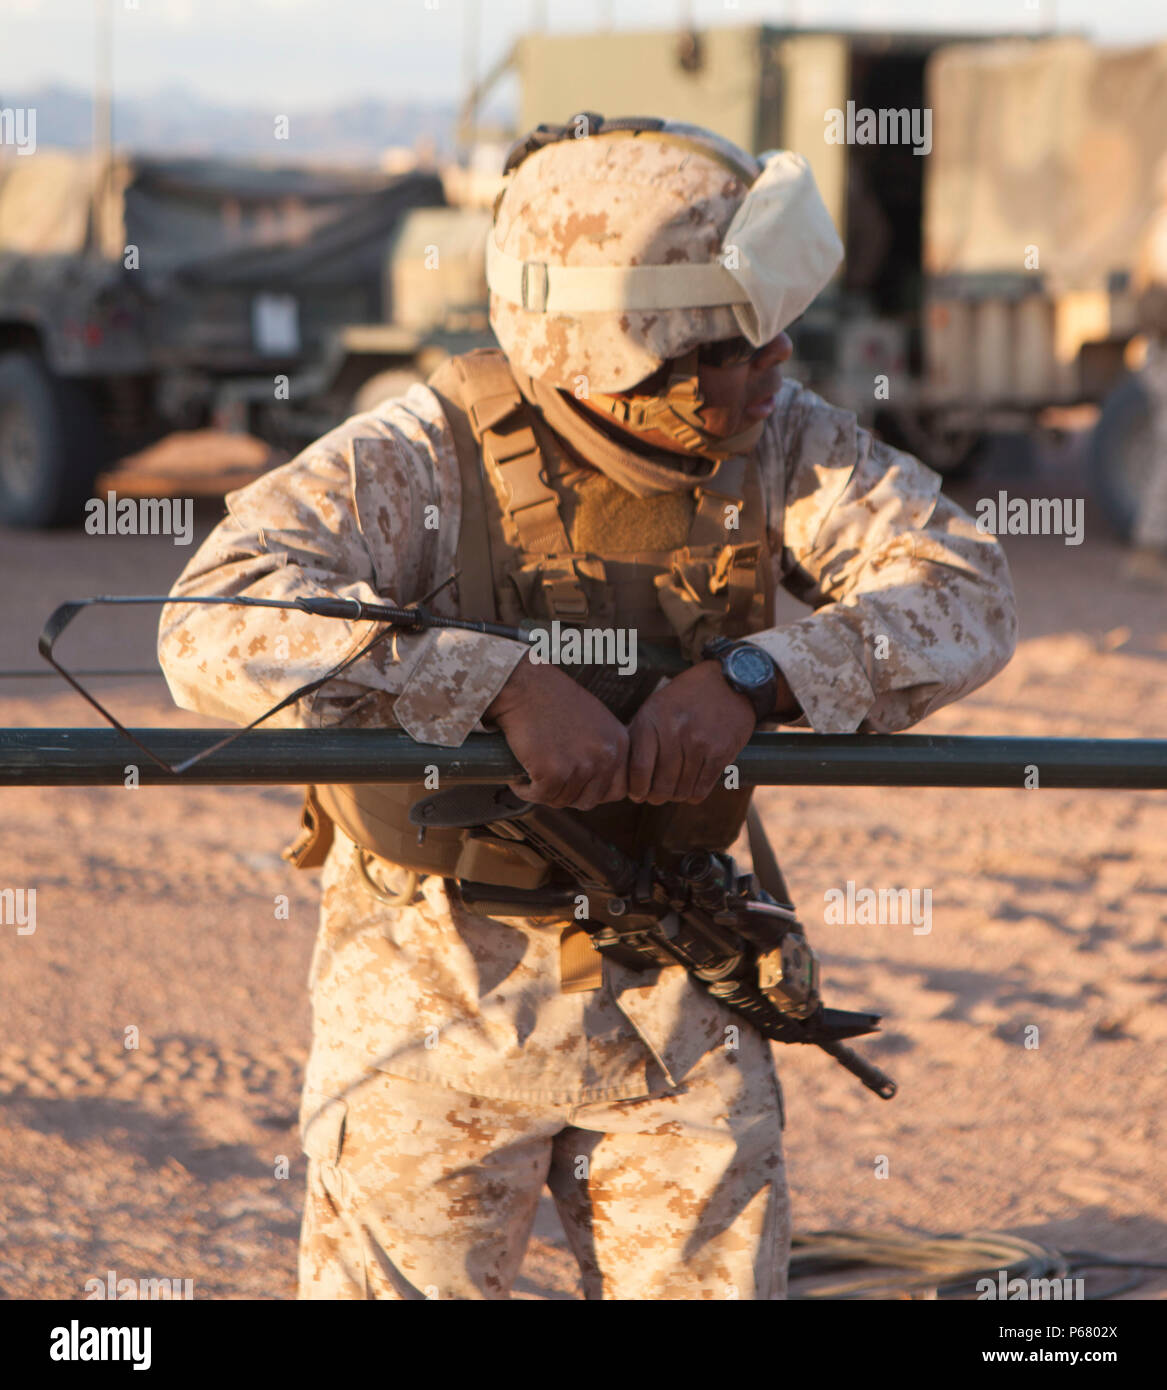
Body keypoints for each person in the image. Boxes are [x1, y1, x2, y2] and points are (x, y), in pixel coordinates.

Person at [157, 115, 1017, 1300]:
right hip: (434, 1003)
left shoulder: (779, 441)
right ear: (616, 349)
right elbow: (212, 619)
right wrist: (498, 684)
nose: (777, 356)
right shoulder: (422, 455)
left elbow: (965, 587)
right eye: (731, 342)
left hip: (676, 988)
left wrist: (758, 677)